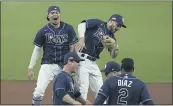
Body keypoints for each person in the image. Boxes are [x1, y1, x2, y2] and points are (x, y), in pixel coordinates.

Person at [27, 6, 78, 105]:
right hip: (48, 64)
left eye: (57, 12)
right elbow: (37, 49)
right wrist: (30, 67)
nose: (55, 14)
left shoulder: (68, 28)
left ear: (60, 15)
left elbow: (72, 47)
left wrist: (71, 63)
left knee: (64, 93)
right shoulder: (43, 31)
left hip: (63, 66)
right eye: (52, 13)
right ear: (48, 16)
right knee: (38, 91)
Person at [75, 14, 127, 101]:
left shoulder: (112, 36)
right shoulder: (98, 23)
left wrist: (115, 46)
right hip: (82, 59)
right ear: (111, 21)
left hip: (93, 63)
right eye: (118, 25)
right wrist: (81, 39)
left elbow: (113, 55)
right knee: (82, 91)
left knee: (101, 92)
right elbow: (81, 25)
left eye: (120, 26)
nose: (118, 28)